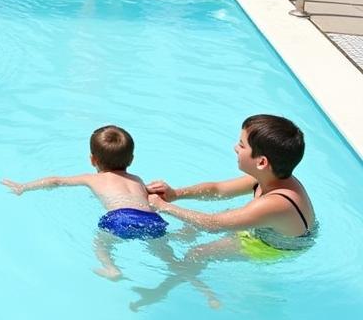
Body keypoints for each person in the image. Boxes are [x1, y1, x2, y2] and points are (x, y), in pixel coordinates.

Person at [132, 115, 315, 308]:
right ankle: (180, 239)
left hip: (274, 246)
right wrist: (176, 194)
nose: (235, 148)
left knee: (199, 252)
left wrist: (164, 207)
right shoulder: (269, 176)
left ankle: (162, 291)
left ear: (261, 162)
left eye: (242, 145)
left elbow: (213, 225)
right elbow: (218, 189)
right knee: (218, 215)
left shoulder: (276, 203)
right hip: (273, 227)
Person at [1, 126, 176, 282]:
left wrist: (24, 187)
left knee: (101, 243)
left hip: (119, 218)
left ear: (93, 160)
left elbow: (56, 181)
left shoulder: (93, 178)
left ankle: (111, 268)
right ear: (131, 159)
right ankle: (179, 269)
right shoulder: (137, 179)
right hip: (152, 219)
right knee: (163, 252)